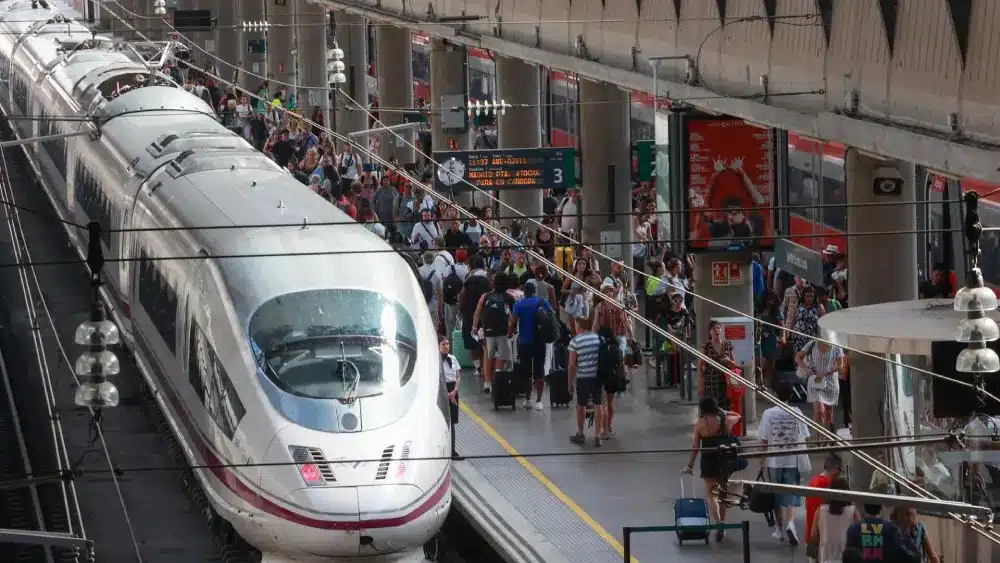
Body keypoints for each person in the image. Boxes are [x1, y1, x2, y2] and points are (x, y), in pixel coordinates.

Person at [758, 384, 811, 545]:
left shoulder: (768, 414)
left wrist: (761, 462)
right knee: (792, 493)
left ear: (775, 393)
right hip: (792, 460)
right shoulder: (797, 413)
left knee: (776, 495)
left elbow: (764, 441)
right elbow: (805, 436)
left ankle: (780, 529)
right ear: (790, 396)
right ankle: (791, 524)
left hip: (774, 461)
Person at [682, 397, 742, 542]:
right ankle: (723, 521)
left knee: (711, 494)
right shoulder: (726, 421)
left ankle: (719, 523)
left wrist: (690, 465)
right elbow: (738, 416)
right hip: (725, 460)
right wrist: (724, 412)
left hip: (708, 460)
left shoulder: (700, 424)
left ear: (702, 410)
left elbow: (696, 447)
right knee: (723, 492)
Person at [508, 282, 552, 411]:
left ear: (524, 292)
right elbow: (550, 318)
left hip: (524, 342)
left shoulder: (519, 304)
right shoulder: (543, 302)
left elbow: (513, 322)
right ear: (535, 291)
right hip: (540, 341)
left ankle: (528, 399)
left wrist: (510, 333)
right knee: (540, 371)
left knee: (526, 372)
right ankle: (539, 401)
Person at [473, 273, 515, 394]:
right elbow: (514, 316)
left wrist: (475, 326)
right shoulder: (509, 297)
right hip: (503, 332)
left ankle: (487, 383)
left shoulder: (486, 296)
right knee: (501, 357)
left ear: (493, 283)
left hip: (488, 332)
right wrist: (513, 330)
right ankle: (498, 381)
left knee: (488, 356)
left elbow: (477, 312)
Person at [567, 316, 604, 446]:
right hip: (597, 377)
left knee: (581, 405)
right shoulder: (597, 338)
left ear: (579, 325)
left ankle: (581, 434)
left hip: (583, 377)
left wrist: (569, 382)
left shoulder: (575, 341)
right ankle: (598, 435)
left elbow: (571, 365)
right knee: (598, 404)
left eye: (576, 324)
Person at [797, 339, 845, 430]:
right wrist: (807, 369)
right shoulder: (813, 343)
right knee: (819, 411)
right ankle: (818, 441)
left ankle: (828, 439)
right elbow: (797, 357)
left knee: (829, 413)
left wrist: (826, 372)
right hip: (816, 379)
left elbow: (840, 365)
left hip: (831, 381)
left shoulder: (836, 345)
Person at [809, 476, 857, 563]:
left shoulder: (821, 510)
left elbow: (813, 535)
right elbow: (859, 534)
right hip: (847, 555)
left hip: (825, 555)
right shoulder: (853, 511)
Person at [843, 504, 910, 562]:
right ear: (880, 508)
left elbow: (849, 556)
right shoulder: (891, 528)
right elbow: (896, 552)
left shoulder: (853, 529)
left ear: (865, 507)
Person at [805, 454, 844, 550]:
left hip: (810, 536)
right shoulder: (828, 485)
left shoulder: (813, 482)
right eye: (839, 471)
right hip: (823, 539)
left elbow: (807, 506)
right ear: (836, 468)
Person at [698, 320, 737, 407]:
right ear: (710, 332)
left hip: (725, 384)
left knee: (725, 408)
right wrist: (701, 385)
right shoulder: (706, 346)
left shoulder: (727, 344)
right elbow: (700, 367)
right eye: (714, 329)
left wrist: (729, 361)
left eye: (719, 328)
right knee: (711, 408)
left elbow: (734, 364)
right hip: (710, 383)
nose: (717, 330)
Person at [439, 337, 461, 459]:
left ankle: (452, 450)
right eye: (443, 344)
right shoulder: (435, 360)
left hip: (453, 389)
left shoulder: (453, 358)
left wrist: (454, 391)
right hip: (442, 389)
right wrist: (446, 393)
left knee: (452, 422)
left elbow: (458, 376)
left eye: (447, 344)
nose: (446, 346)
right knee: (442, 421)